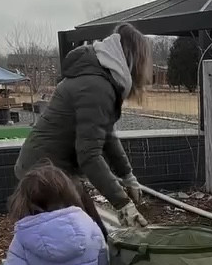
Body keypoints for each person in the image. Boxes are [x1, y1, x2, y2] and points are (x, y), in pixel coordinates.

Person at [14, 22, 153, 233]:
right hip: (45, 174)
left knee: (93, 234)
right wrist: (122, 204)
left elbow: (106, 135)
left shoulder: (100, 79)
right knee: (84, 238)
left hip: (52, 167)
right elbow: (89, 155)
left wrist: (127, 176)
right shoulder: (96, 86)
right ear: (132, 59)